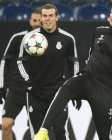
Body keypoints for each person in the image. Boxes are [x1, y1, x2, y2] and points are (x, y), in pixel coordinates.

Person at [33, 1, 112, 140]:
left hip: (104, 88)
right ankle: (43, 132)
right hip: (87, 78)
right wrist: (81, 76)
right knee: (66, 88)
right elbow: (91, 55)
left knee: (104, 136)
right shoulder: (99, 31)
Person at [17, 4, 80, 140]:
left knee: (61, 134)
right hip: (35, 93)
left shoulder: (67, 39)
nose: (47, 19)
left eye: (50, 16)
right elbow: (20, 62)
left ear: (57, 17)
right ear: (40, 18)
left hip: (58, 93)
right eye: (44, 16)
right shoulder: (30, 38)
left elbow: (73, 65)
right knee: (38, 136)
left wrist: (74, 89)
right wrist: (28, 81)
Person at [0, 10, 41, 140]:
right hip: (16, 89)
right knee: (6, 125)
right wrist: (1, 85)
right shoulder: (17, 37)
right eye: (34, 21)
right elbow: (5, 62)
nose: (37, 24)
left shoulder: (49, 40)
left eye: (40, 21)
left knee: (38, 131)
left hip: (37, 92)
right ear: (30, 21)